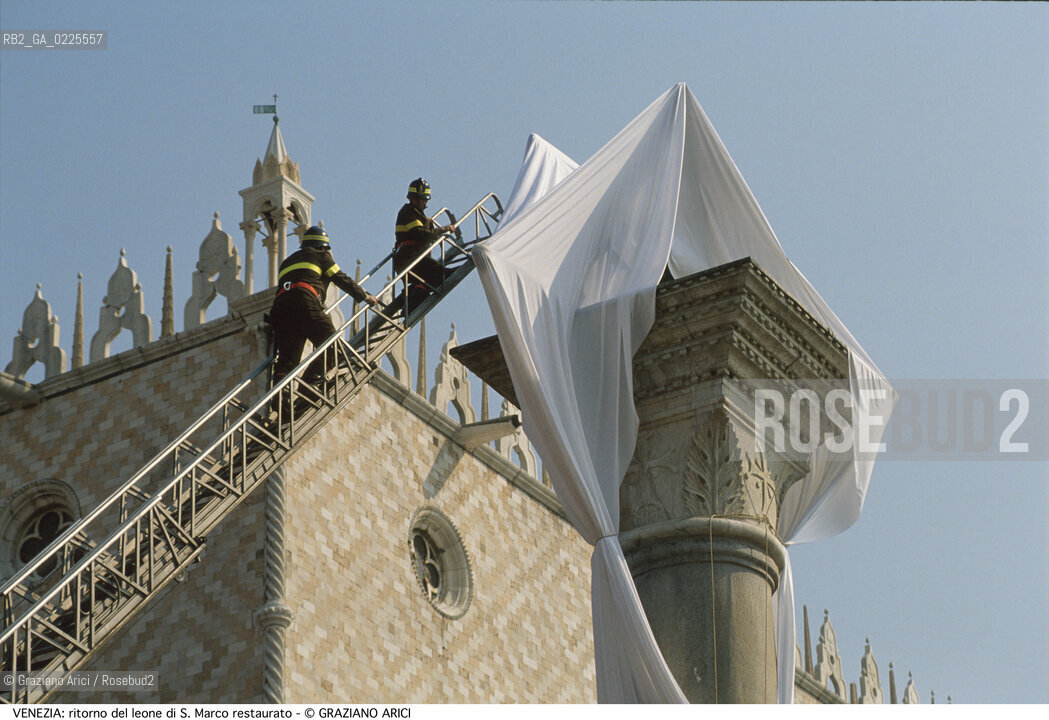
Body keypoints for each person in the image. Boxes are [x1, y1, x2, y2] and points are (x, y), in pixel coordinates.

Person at [269, 225, 379, 389]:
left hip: (280, 311)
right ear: (323, 247)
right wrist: (365, 296)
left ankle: (280, 400)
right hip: (305, 304)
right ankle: (309, 383)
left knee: (287, 362)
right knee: (333, 346)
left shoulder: (287, 262)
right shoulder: (322, 257)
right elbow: (341, 278)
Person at [393, 178, 455, 312]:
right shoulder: (408, 212)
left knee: (426, 285)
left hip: (413, 258)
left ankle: (408, 299)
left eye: (423, 200)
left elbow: (424, 233)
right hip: (409, 258)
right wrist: (442, 229)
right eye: (417, 199)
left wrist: (430, 224)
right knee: (444, 274)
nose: (421, 202)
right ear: (411, 198)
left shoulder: (418, 215)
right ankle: (409, 302)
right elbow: (421, 234)